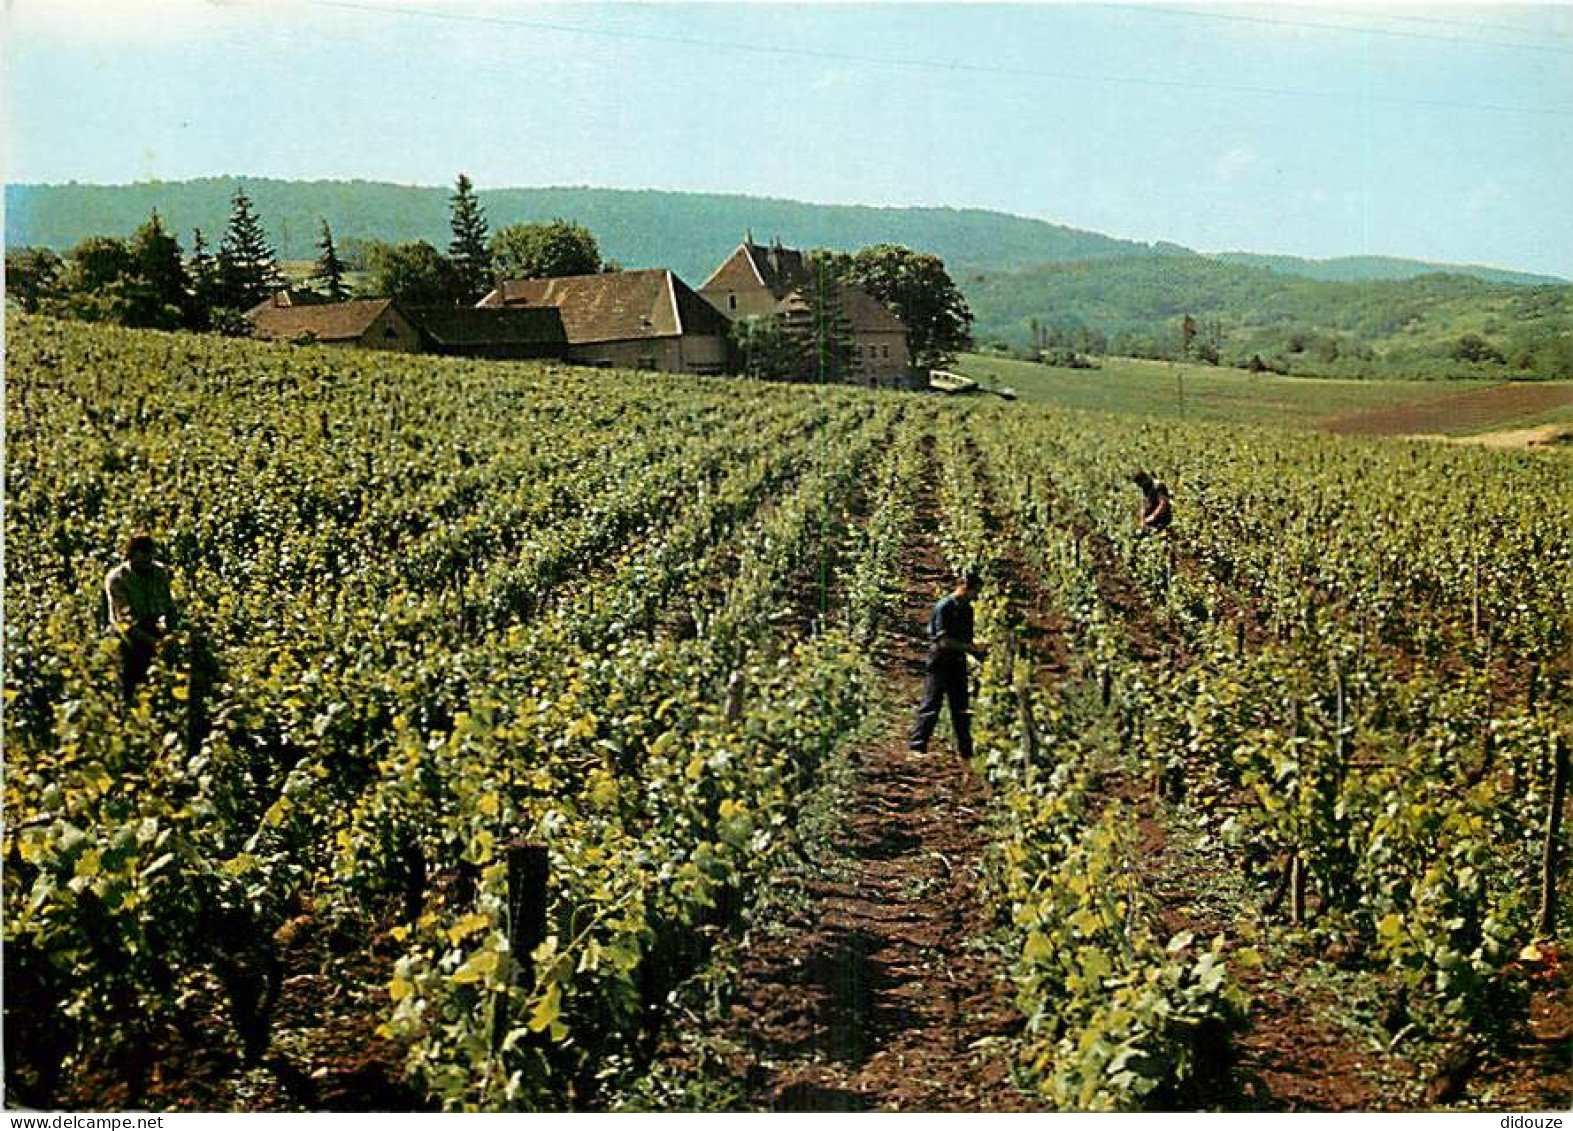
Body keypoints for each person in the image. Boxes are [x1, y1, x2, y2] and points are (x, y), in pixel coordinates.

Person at [909, 570, 986, 759]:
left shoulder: (967, 609)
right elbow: (943, 641)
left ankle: (966, 751)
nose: (976, 596)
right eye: (974, 591)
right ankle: (917, 746)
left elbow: (965, 638)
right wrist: (972, 647)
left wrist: (976, 650)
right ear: (964, 587)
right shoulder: (944, 606)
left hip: (958, 661)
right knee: (931, 703)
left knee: (961, 707)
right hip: (940, 660)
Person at [105, 532, 179, 700]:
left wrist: (170, 635)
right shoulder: (118, 579)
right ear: (131, 555)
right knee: (130, 682)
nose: (148, 559)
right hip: (125, 637)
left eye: (150, 553)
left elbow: (169, 607)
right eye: (143, 554)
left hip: (152, 628)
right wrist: (155, 643)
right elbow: (124, 621)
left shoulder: (159, 573)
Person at [1132, 470, 1173, 537]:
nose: (1139, 486)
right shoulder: (1144, 489)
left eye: (1139, 483)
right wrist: (1142, 521)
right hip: (1151, 521)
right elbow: (1143, 506)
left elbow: (1163, 503)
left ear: (1144, 479)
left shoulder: (1158, 485)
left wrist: (1153, 516)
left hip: (1163, 519)